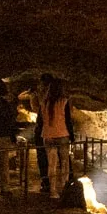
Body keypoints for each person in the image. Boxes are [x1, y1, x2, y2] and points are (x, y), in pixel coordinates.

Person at [39, 73, 71, 201]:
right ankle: (64, 187)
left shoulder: (44, 103)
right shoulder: (64, 101)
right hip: (62, 134)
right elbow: (68, 120)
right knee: (64, 163)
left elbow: (42, 120)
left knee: (51, 165)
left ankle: (53, 191)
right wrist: (72, 135)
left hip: (48, 136)